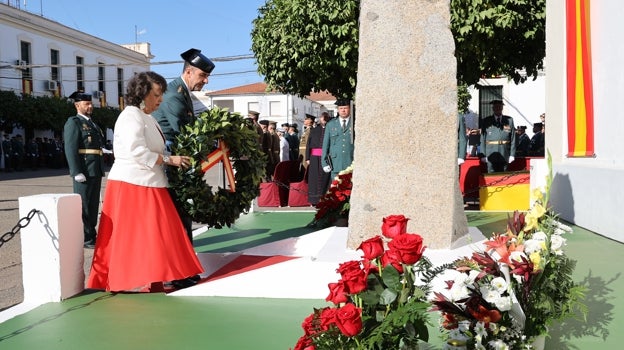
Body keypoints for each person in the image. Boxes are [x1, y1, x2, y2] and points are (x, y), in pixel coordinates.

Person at [87, 71, 203, 292]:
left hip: (149, 182)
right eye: (157, 94)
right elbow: (136, 151)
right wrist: (171, 160)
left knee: (158, 235)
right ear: (143, 92)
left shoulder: (147, 117)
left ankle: (160, 277)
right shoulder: (130, 116)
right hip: (134, 184)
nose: (160, 99)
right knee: (140, 237)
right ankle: (136, 279)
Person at [152, 48, 215, 251]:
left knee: (183, 214)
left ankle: (185, 263)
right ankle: (181, 268)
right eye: (203, 75)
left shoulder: (183, 93)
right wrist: (213, 145)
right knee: (179, 213)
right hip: (172, 160)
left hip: (178, 157)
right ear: (189, 72)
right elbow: (185, 134)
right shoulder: (174, 95)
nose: (206, 81)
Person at [63, 91, 106, 248]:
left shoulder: (92, 123)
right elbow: (70, 148)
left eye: (90, 103)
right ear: (77, 105)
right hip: (84, 171)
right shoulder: (73, 122)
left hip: (95, 169)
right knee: (84, 206)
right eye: (86, 104)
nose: (90, 106)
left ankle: (91, 235)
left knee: (93, 205)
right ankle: (86, 238)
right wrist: (75, 172)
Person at [322, 99, 355, 183]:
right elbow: (326, 145)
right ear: (338, 109)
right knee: (336, 191)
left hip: (351, 162)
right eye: (341, 108)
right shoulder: (331, 124)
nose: (343, 110)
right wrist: (324, 162)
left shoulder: (355, 123)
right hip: (335, 163)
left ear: (350, 109)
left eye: (345, 108)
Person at [479, 99, 516, 173]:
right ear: (493, 108)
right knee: (491, 174)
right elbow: (482, 139)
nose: (497, 109)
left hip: (504, 152)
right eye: (495, 107)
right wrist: (482, 155)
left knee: (504, 174)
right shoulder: (486, 121)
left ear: (502, 108)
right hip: (491, 152)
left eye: (499, 107)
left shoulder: (509, 120)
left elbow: (513, 138)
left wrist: (512, 154)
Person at [307, 112, 331, 205]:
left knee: (325, 178)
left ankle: (325, 198)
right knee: (314, 179)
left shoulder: (330, 129)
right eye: (322, 118)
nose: (323, 120)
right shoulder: (314, 130)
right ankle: (314, 200)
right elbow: (309, 144)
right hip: (314, 158)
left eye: (325, 119)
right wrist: (307, 157)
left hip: (326, 158)